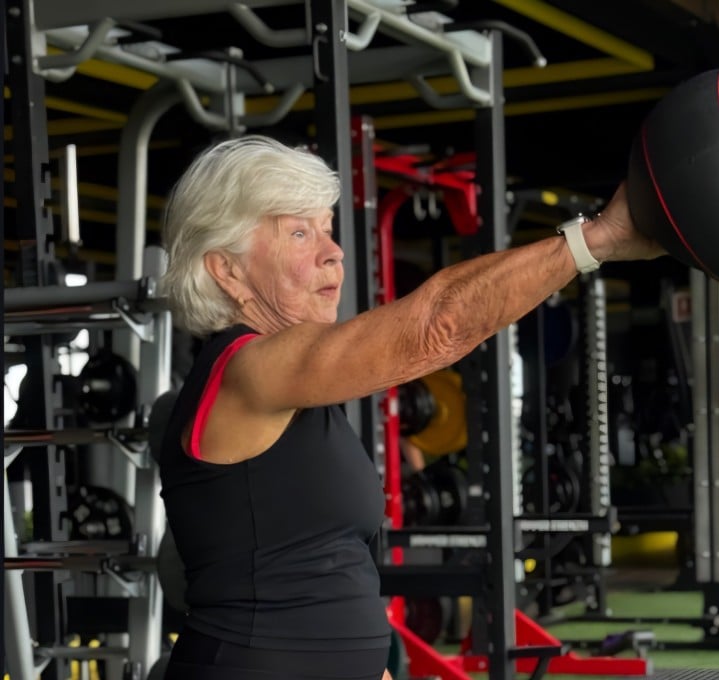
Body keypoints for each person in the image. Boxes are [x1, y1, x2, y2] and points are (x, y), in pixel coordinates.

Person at [156, 134, 664, 680]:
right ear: (226, 271)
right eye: (299, 234)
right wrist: (597, 240)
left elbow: (323, 578)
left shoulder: (296, 393)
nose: (334, 251)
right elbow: (438, 326)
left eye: (327, 229)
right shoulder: (249, 371)